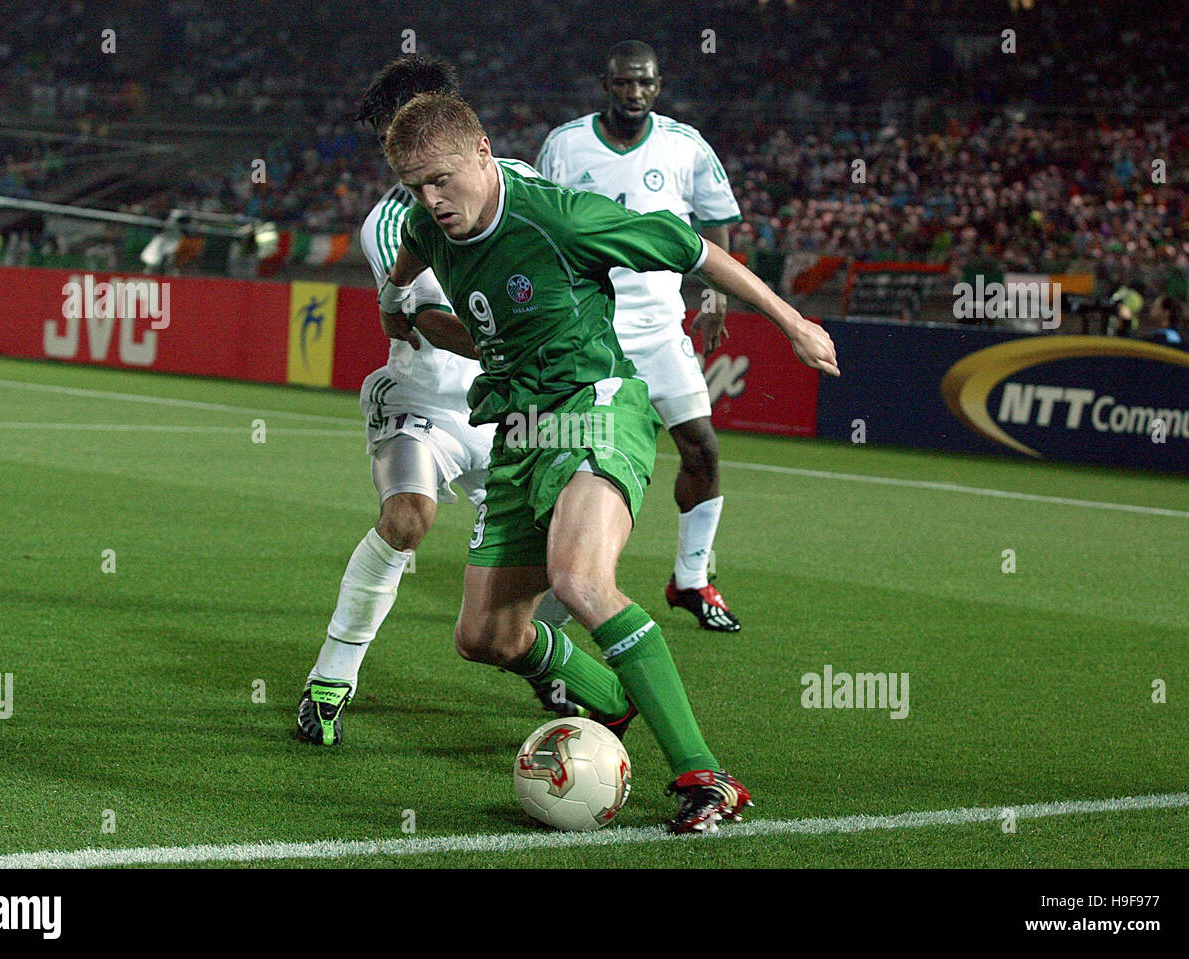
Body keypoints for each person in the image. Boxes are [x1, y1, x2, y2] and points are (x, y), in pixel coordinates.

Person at [379, 92, 839, 832]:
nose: (431, 200)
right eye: (413, 186)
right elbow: (410, 266)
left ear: (483, 152)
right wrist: (395, 299)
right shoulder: (424, 225)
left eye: (440, 179)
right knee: (485, 637)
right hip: (519, 434)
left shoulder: (559, 216)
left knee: (581, 580)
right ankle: (613, 692)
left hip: (594, 408)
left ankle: (708, 778)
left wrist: (793, 323)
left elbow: (698, 251)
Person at [294, 57, 578, 748]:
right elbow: (423, 318)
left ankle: (539, 656)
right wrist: (519, 346)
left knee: (571, 558)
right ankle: (331, 679)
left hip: (514, 410)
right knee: (407, 517)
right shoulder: (389, 223)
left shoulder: (525, 185)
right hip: (428, 399)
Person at [535, 40, 744, 632]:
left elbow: (717, 219)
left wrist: (716, 292)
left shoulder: (684, 145)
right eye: (624, 83)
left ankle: (691, 579)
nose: (635, 93)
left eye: (645, 84)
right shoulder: (565, 144)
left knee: (701, 447)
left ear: (658, 85)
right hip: (590, 329)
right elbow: (543, 221)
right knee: (577, 458)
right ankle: (571, 581)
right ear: (607, 83)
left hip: (658, 328)